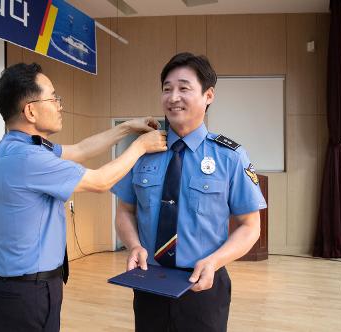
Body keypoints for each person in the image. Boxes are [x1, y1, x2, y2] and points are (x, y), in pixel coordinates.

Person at [0, 62, 167, 332]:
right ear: (30, 110)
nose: (59, 105)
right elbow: (101, 181)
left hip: (29, 288)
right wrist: (140, 146)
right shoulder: (27, 158)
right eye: (53, 97)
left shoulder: (19, 146)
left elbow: (80, 149)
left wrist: (127, 128)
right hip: (24, 295)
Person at [112, 52, 267, 332]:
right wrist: (134, 245)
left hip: (203, 285)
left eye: (184, 88)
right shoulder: (142, 150)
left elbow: (250, 226)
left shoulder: (230, 156)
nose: (173, 97)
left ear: (208, 95)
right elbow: (125, 210)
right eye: (167, 89)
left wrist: (215, 261)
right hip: (150, 282)